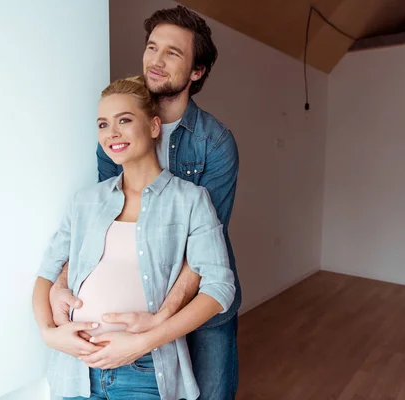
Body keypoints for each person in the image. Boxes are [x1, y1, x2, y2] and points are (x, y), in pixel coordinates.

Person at [49, 6, 242, 399]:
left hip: (196, 302)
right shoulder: (116, 137)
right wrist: (59, 285)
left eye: (173, 52)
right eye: (153, 47)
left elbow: (202, 257)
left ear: (196, 71)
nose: (156, 60)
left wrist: (157, 326)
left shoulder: (215, 143)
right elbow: (98, 223)